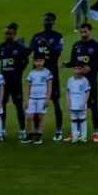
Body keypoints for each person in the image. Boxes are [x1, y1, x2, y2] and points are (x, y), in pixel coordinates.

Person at [29, 12, 66, 141]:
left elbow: (57, 53)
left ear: (53, 22)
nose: (47, 22)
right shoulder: (36, 37)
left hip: (51, 73)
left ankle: (59, 130)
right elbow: (29, 51)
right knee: (35, 103)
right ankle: (36, 130)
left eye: (49, 20)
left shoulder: (58, 37)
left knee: (56, 102)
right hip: (37, 76)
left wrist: (48, 45)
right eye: (45, 20)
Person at [67, 22, 98, 142]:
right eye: (81, 31)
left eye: (85, 31)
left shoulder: (95, 45)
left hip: (91, 81)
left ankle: (96, 132)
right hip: (77, 84)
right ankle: (76, 132)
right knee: (76, 107)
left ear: (90, 31)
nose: (83, 34)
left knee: (93, 106)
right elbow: (73, 62)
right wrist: (65, 64)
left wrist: (90, 68)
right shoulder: (76, 45)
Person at [0, 23, 30, 140]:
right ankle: (2, 129)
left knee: (18, 106)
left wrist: (19, 71)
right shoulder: (1, 46)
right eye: (6, 33)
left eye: (10, 34)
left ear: (14, 34)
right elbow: (2, 63)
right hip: (4, 82)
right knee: (2, 106)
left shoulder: (19, 47)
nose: (8, 36)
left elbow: (25, 61)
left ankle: (22, 130)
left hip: (15, 82)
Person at [24, 54, 52, 144]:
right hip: (32, 98)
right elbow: (28, 87)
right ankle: (30, 134)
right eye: (37, 61)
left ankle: (39, 135)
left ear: (44, 61)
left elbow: (49, 87)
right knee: (29, 116)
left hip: (42, 98)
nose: (39, 63)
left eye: (41, 61)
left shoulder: (47, 72)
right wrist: (26, 99)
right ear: (34, 62)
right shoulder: (32, 73)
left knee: (40, 117)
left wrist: (47, 99)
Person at [66, 62, 91, 143]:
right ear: (73, 69)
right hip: (73, 102)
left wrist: (84, 103)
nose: (77, 70)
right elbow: (68, 92)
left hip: (81, 102)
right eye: (76, 68)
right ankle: (75, 137)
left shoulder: (84, 80)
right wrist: (69, 102)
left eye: (79, 68)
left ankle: (83, 137)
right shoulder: (70, 80)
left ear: (82, 70)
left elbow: (87, 92)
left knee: (82, 120)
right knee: (73, 120)